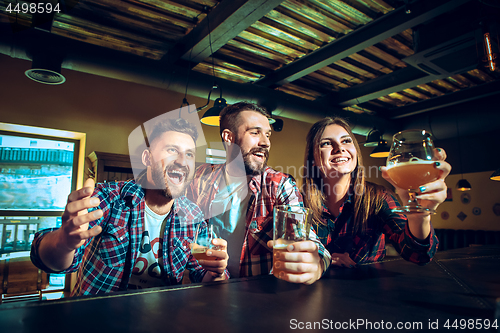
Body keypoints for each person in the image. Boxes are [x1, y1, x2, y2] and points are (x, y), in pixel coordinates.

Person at [31, 118, 228, 296]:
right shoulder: (109, 198)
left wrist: (216, 271)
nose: (182, 161)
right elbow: (51, 261)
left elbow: (202, 272)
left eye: (189, 154)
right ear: (147, 158)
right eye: (172, 150)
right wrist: (63, 243)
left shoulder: (193, 216)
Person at [187, 102, 331, 284]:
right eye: (255, 132)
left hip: (257, 297)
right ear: (228, 138)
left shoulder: (279, 185)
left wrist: (316, 262)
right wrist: (212, 273)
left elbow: (309, 240)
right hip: (207, 291)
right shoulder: (201, 178)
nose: (266, 142)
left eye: (268, 134)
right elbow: (188, 238)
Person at [300, 117, 451, 268]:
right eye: (326, 143)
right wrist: (322, 260)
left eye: (346, 141)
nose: (339, 148)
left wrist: (420, 216)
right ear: (312, 159)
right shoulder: (299, 201)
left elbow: (418, 255)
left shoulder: (379, 197)